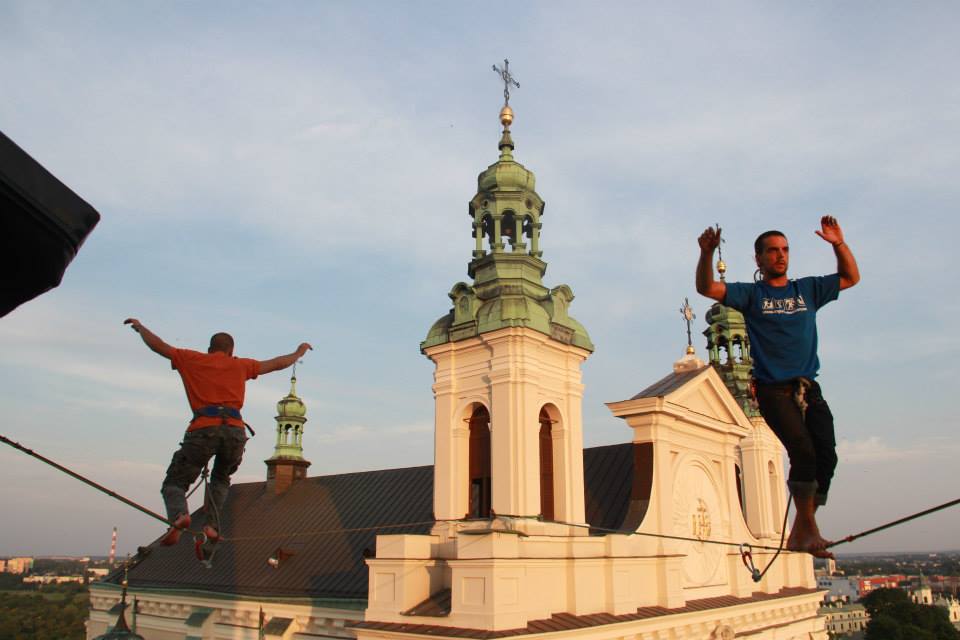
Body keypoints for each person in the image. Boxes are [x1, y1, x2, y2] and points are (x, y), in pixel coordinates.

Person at [695, 216, 860, 557]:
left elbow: (850, 277)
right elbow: (707, 289)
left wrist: (838, 244)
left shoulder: (808, 289)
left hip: (808, 387)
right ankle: (809, 531)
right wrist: (706, 254)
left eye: (784, 250)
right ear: (758, 259)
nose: (780, 256)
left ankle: (802, 527)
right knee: (802, 450)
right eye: (772, 251)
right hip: (772, 390)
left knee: (826, 455)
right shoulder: (752, 294)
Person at [124, 318, 312, 546]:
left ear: (209, 348)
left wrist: (141, 328)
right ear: (231, 350)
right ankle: (212, 526)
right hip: (235, 432)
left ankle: (179, 516)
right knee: (221, 479)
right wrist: (298, 352)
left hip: (204, 428)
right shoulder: (240, 365)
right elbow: (276, 364)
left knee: (174, 483)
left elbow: (159, 346)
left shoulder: (192, 359)